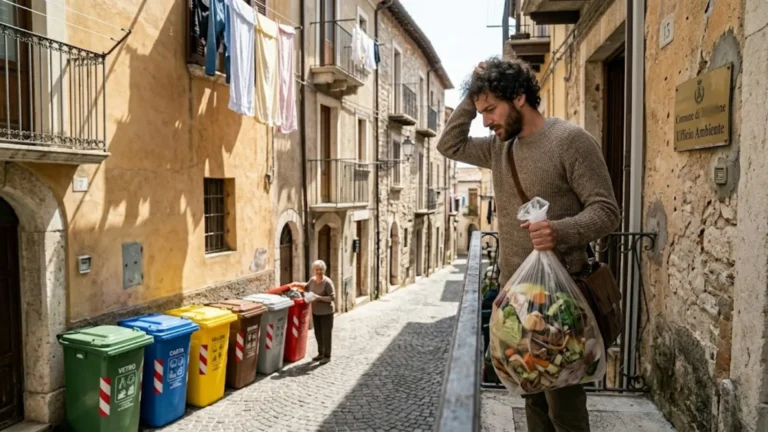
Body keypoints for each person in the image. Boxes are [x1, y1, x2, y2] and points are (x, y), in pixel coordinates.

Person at [437, 57, 620, 432]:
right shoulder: (498, 149)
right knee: (533, 402)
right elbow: (449, 144)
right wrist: (472, 97)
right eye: (480, 110)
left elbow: (607, 212)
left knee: (564, 407)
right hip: (515, 299)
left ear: (519, 97)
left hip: (561, 299)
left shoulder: (570, 141)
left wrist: (559, 231)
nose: (485, 120)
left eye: (491, 109)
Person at [290, 260, 336, 364]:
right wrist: (297, 284)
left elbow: (332, 297)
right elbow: (306, 287)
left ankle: (327, 356)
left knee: (326, 334)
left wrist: (319, 297)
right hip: (316, 312)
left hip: (327, 312)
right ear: (313, 271)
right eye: (317, 269)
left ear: (324, 270)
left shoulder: (327, 282)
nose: (319, 271)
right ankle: (320, 353)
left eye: (321, 269)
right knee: (318, 333)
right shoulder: (313, 280)